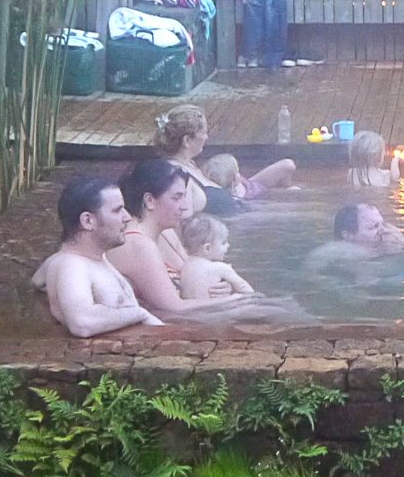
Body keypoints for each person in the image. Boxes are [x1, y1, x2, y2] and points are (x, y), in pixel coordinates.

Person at [109, 157, 294, 323]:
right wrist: (237, 299)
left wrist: (223, 285)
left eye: (184, 196)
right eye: (177, 198)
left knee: (284, 307)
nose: (184, 206)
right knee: (280, 313)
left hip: (184, 315)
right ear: (150, 201)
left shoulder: (166, 231)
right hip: (169, 324)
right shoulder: (138, 244)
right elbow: (173, 307)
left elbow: (194, 272)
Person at [30, 174, 163, 338]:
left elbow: (37, 280)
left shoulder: (88, 258)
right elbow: (82, 323)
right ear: (88, 221)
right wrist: (139, 314)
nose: (127, 217)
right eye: (117, 210)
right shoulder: (72, 265)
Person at [155, 103, 295, 215]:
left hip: (241, 212)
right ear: (187, 141)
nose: (206, 137)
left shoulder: (189, 164)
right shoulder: (176, 176)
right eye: (203, 133)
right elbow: (181, 220)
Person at [175, 213, 258, 303]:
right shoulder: (220, 267)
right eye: (223, 242)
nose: (228, 245)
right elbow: (248, 292)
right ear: (207, 248)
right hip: (217, 311)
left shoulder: (185, 266)